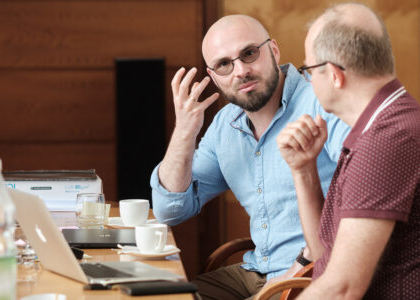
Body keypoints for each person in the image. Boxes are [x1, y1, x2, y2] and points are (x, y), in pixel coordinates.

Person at [150, 15, 349, 299]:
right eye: (224, 64)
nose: (240, 71)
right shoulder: (225, 124)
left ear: (274, 50)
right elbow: (169, 210)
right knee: (162, 296)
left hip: (312, 277)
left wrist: (299, 267)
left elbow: (359, 200)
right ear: (214, 75)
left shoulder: (321, 102)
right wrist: (184, 131)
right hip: (256, 271)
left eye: (249, 53)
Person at [277, 3, 420, 299]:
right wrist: (303, 169)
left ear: (333, 75)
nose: (308, 80)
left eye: (308, 70)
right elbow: (323, 254)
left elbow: (341, 289)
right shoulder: (380, 125)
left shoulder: (386, 141)